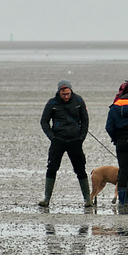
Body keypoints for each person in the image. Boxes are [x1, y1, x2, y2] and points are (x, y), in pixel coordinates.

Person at [39, 79, 93, 208]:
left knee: (80, 169)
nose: (66, 96)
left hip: (75, 140)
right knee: (52, 168)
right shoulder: (52, 103)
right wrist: (52, 137)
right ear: (59, 92)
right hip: (58, 140)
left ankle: (87, 199)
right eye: (63, 94)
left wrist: (81, 137)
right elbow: (44, 122)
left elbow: (85, 120)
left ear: (71, 91)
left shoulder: (78, 100)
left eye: (68, 93)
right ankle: (46, 199)